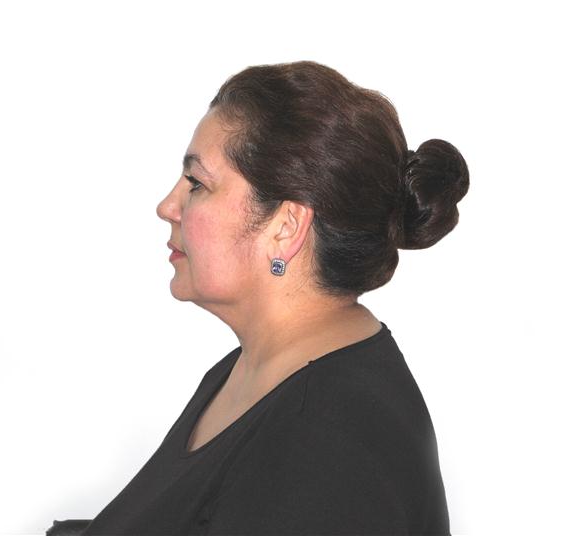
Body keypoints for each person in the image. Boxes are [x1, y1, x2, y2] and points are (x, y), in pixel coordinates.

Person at [48, 60, 469, 535]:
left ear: (286, 227)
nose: (168, 206)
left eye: (197, 184)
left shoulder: (328, 437)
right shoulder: (258, 370)